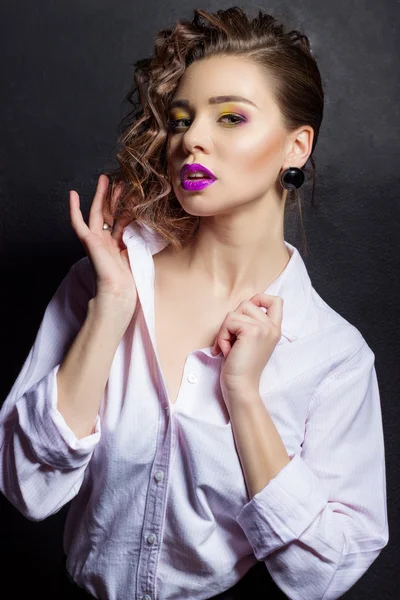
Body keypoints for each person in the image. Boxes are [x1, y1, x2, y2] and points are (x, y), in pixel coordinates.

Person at [0, 6, 388, 600]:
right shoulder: (99, 282)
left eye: (231, 117)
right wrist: (111, 309)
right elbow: (28, 486)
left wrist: (244, 396)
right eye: (182, 119)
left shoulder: (333, 355)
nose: (192, 140)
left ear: (297, 146)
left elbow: (323, 575)